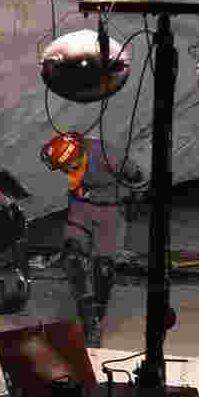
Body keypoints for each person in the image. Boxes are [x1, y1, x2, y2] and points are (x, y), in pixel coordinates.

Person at [40, 131, 145, 347]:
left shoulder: (107, 155)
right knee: (72, 258)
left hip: (111, 209)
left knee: (103, 267)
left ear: (77, 157)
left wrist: (136, 199)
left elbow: (137, 176)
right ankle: (88, 317)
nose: (65, 172)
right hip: (82, 206)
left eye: (67, 167)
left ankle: (97, 316)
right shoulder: (73, 156)